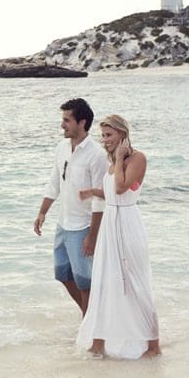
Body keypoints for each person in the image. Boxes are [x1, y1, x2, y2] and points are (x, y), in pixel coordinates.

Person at [75, 114, 161, 358]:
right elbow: (113, 193)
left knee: (135, 283)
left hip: (127, 224)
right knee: (104, 282)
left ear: (123, 134)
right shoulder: (113, 161)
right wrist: (93, 191)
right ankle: (98, 343)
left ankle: (154, 346)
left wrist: (121, 157)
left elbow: (122, 188)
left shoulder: (136, 158)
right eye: (102, 136)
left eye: (109, 135)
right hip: (110, 225)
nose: (105, 140)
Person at [33, 98, 107, 315]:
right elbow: (54, 182)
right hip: (63, 224)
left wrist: (92, 236)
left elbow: (99, 199)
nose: (62, 125)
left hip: (82, 227)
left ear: (81, 122)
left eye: (67, 120)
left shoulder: (97, 154)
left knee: (85, 282)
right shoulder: (62, 147)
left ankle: (90, 326)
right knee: (63, 274)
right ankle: (90, 316)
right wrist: (42, 212)